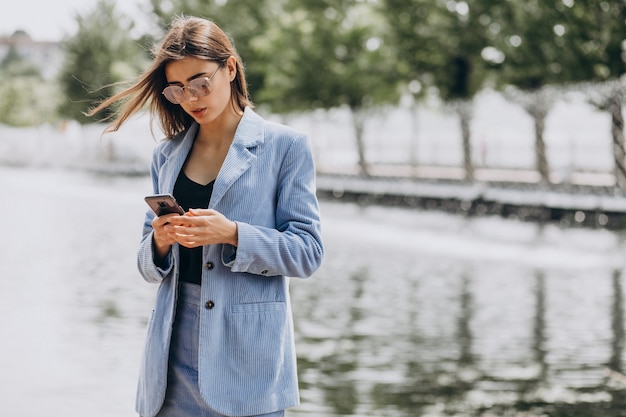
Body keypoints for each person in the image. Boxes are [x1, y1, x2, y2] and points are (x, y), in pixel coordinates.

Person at [89, 15, 324, 417]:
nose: (191, 98)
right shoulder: (166, 154)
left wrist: (233, 233)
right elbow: (146, 267)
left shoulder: (285, 147)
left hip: (246, 360)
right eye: (178, 89)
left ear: (230, 68)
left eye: (201, 83)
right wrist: (161, 241)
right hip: (171, 354)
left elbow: (308, 252)